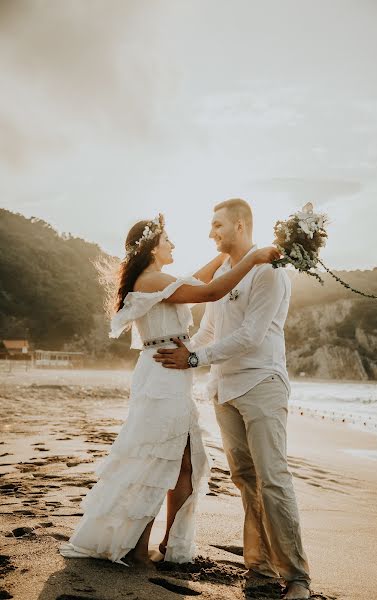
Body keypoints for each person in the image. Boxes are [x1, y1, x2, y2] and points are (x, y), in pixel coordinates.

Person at [59, 212, 280, 568]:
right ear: (151, 248)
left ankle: (166, 545)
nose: (173, 244)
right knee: (159, 459)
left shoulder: (157, 279)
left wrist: (229, 254)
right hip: (163, 374)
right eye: (168, 240)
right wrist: (251, 258)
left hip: (171, 373)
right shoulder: (150, 279)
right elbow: (209, 291)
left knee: (186, 464)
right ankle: (136, 546)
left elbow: (196, 281)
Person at [153, 200, 311, 599]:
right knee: (245, 479)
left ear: (240, 226)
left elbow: (251, 337)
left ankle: (297, 577)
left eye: (217, 225)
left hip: (261, 384)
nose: (212, 233)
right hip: (224, 389)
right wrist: (182, 350)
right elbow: (210, 330)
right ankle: (258, 565)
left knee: (273, 478)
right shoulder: (224, 272)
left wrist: (194, 359)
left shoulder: (270, 272)